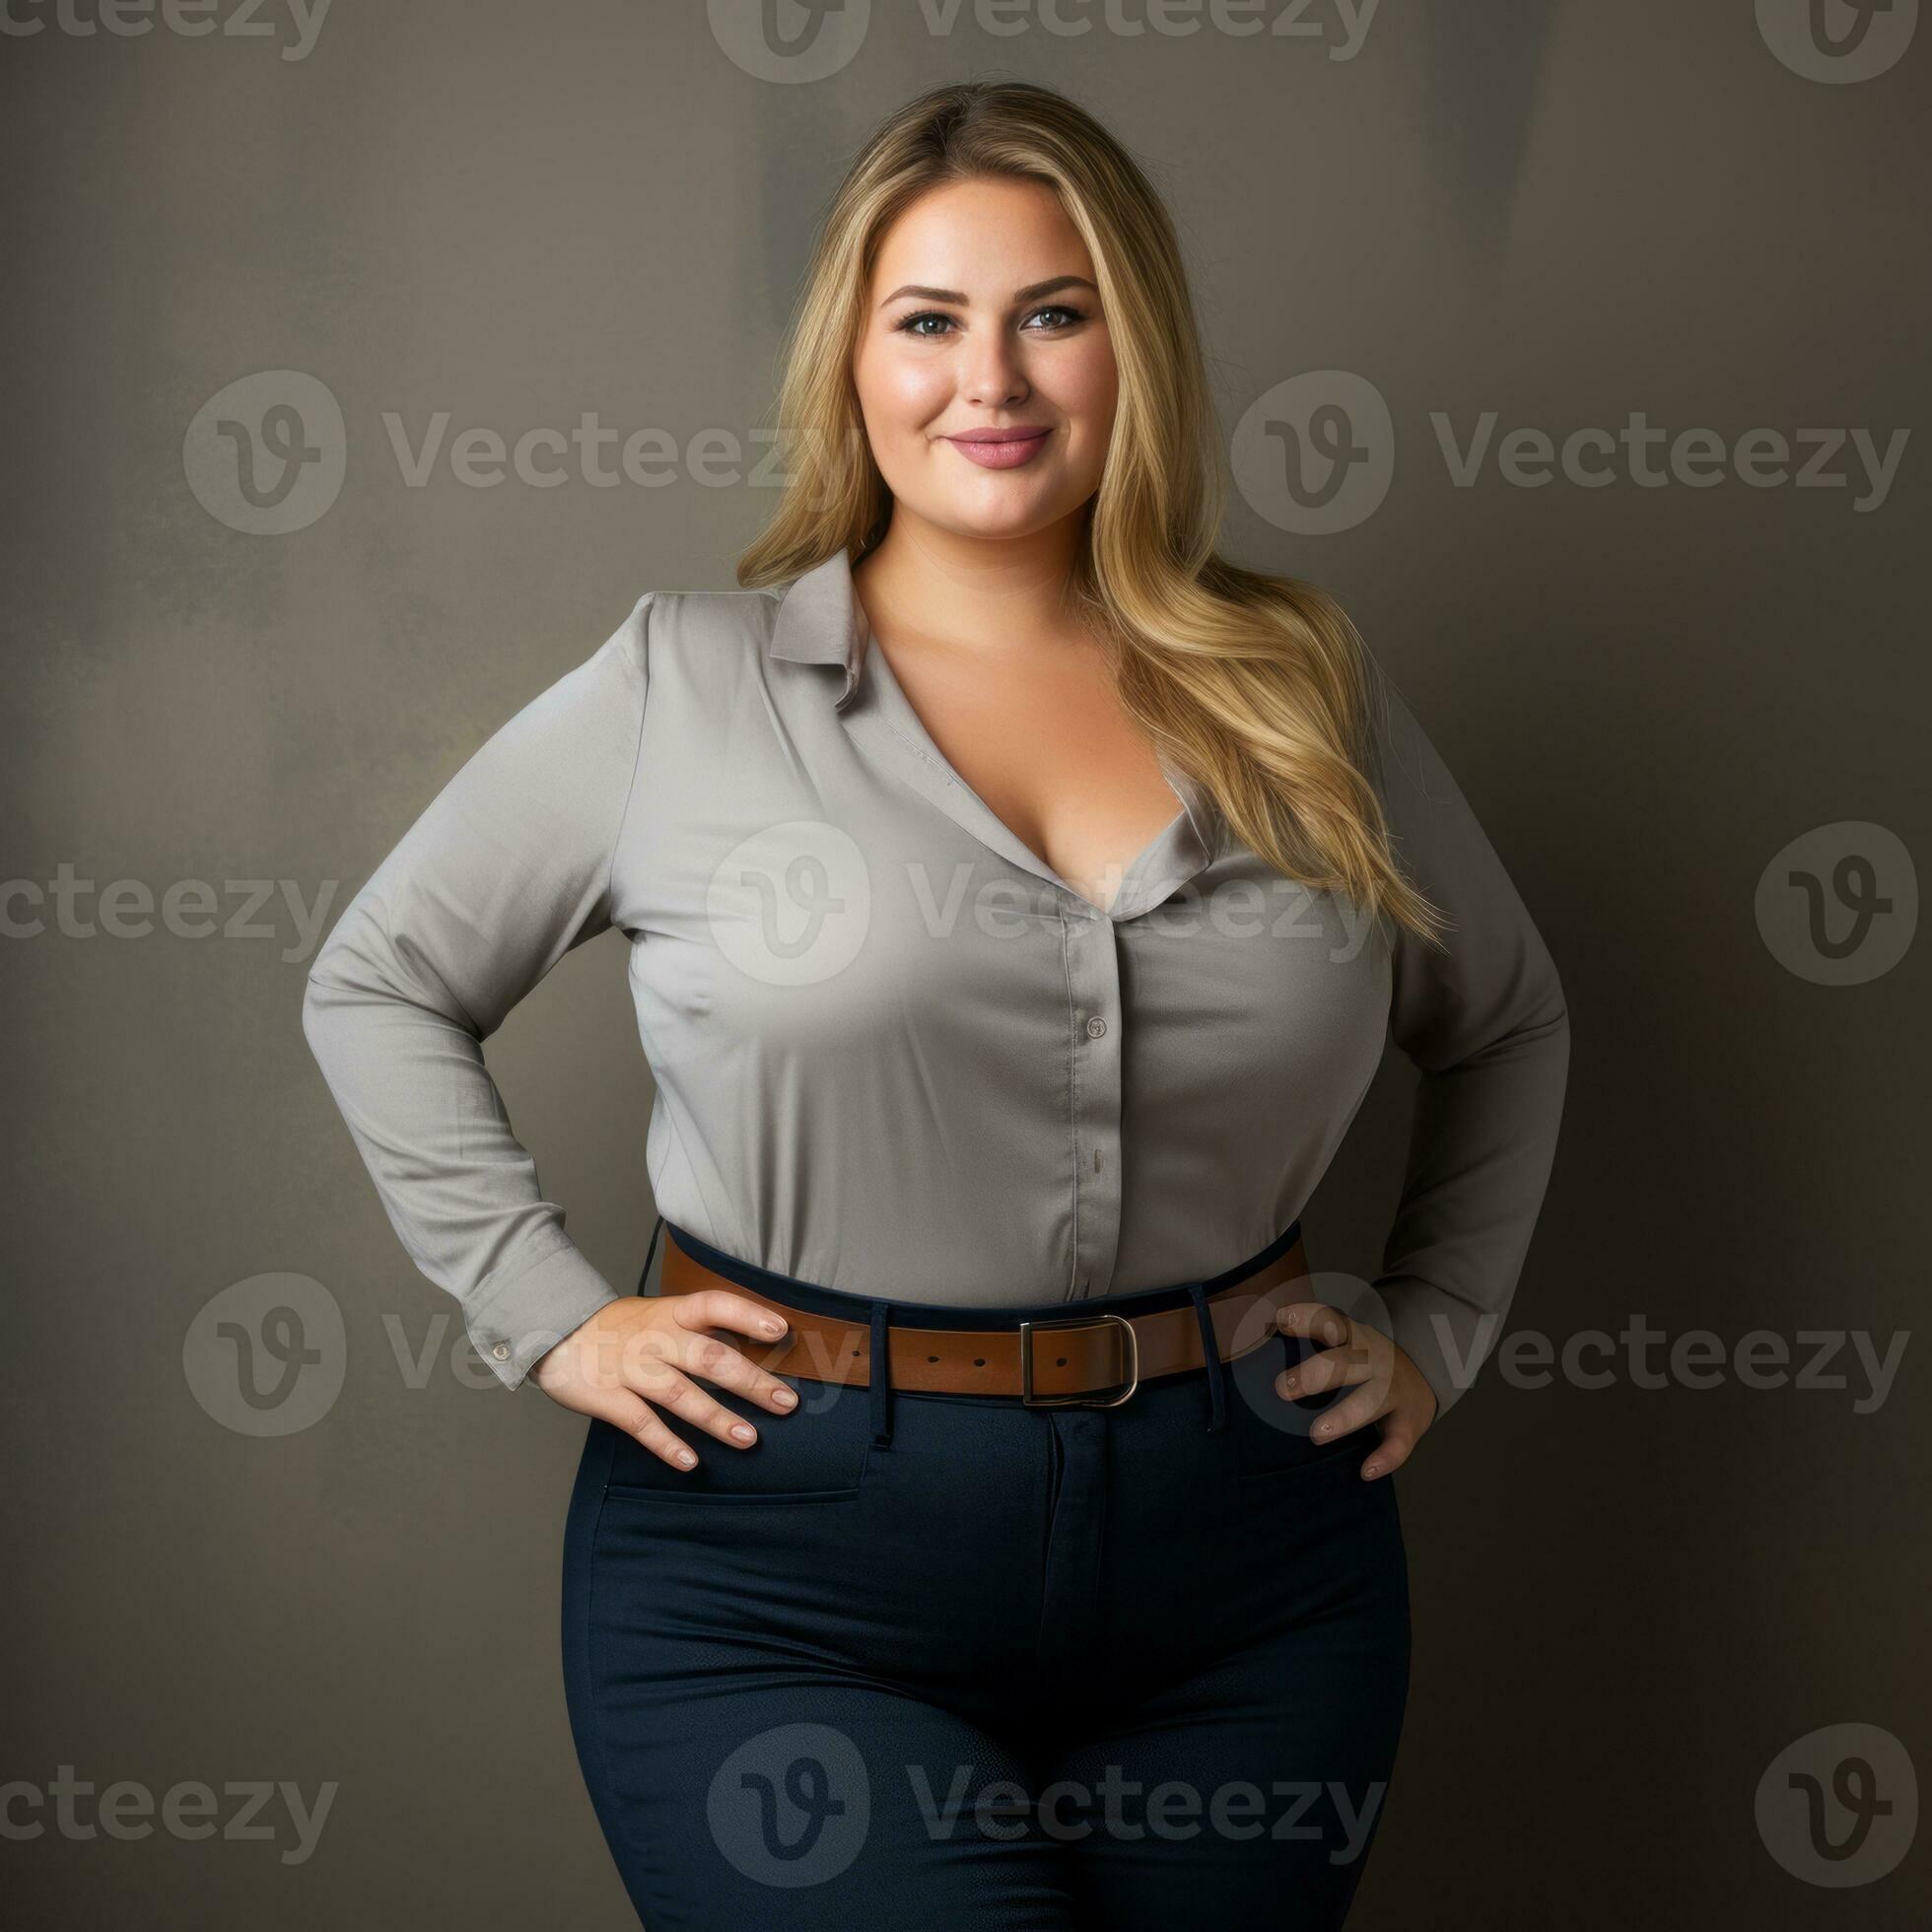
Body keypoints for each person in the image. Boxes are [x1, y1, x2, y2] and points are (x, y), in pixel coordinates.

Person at [302, 79, 1568, 1930]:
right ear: (855, 362)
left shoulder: (1307, 688)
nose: (995, 378)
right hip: (785, 1572)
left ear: (1135, 350)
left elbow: (1510, 1018)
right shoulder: (686, 685)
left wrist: (1441, 1329)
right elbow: (381, 976)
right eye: (930, 321)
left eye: (1055, 313)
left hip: (1255, 1584)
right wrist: (547, 1314)